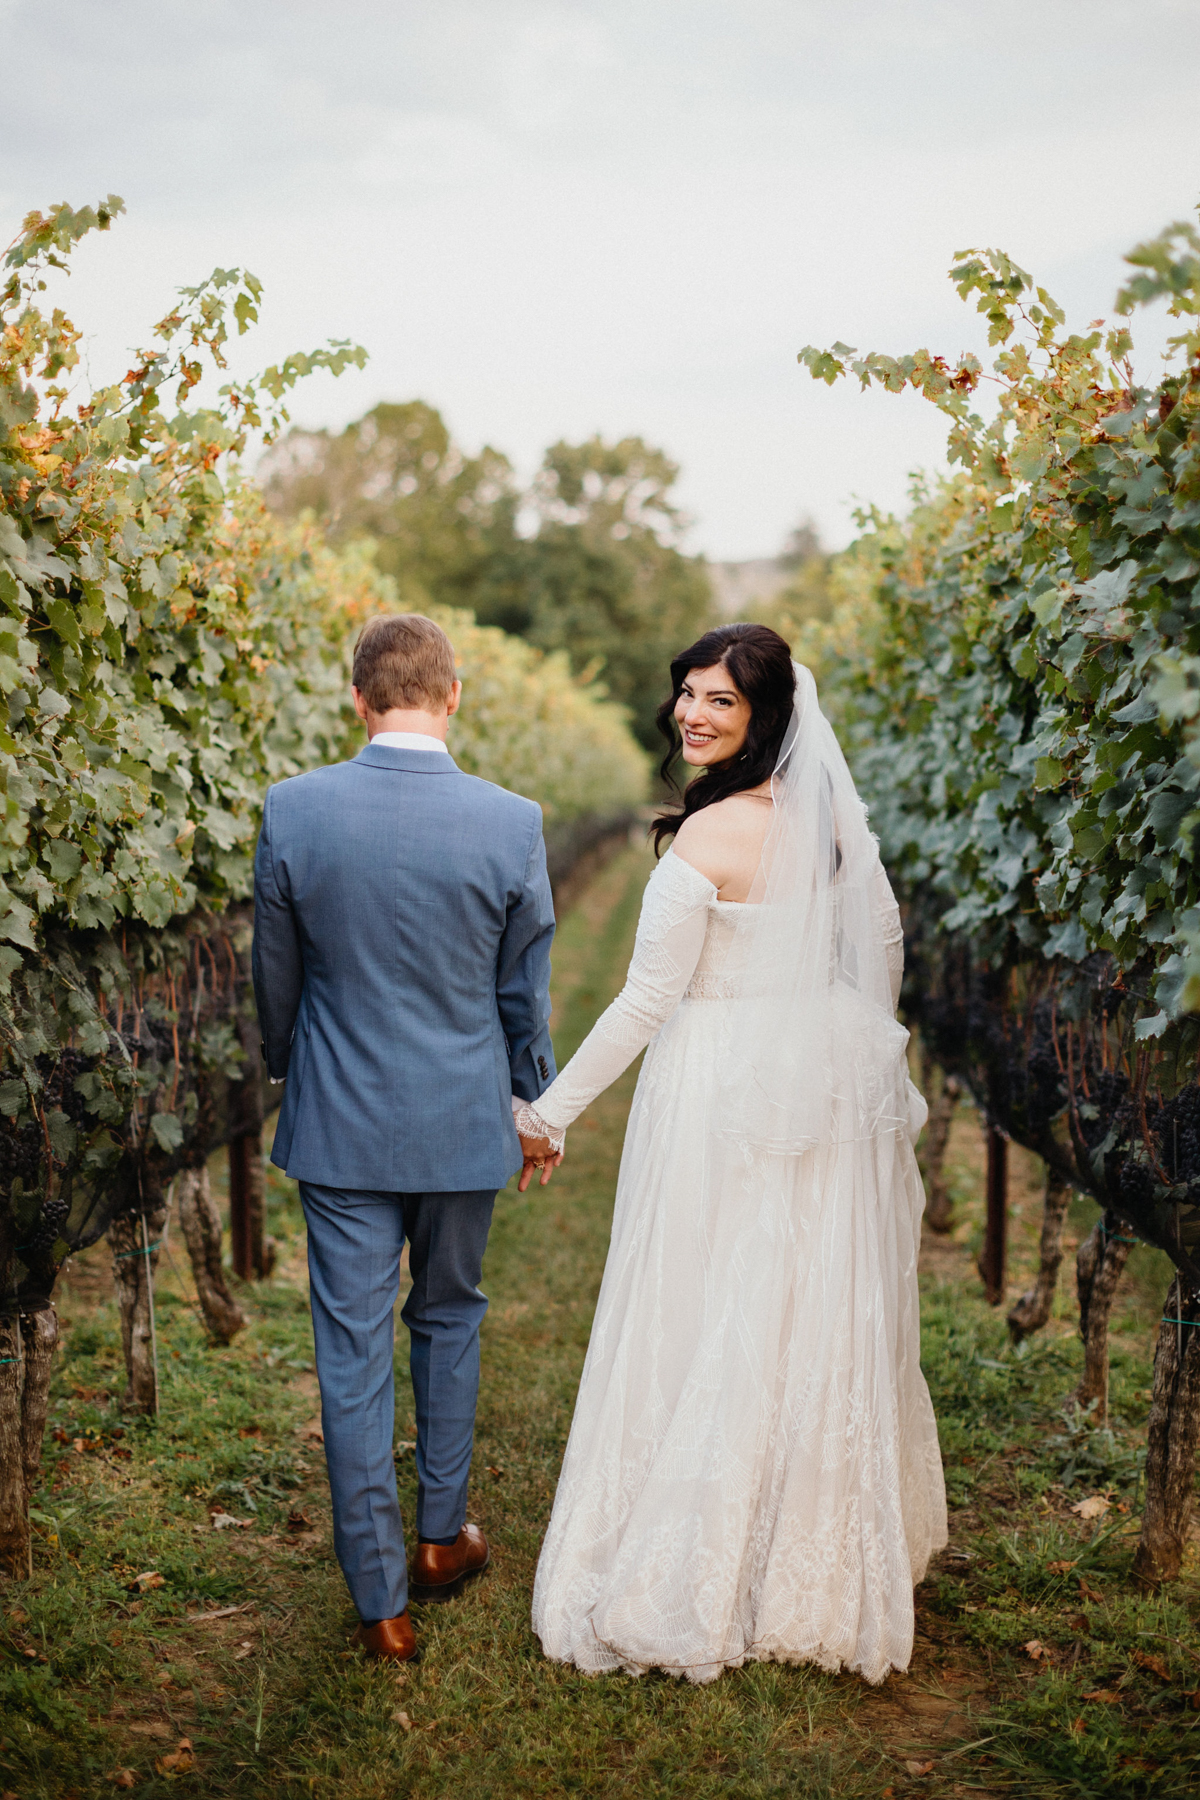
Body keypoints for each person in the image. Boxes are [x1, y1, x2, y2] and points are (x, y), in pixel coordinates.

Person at [516, 622, 948, 1685]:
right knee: (796, 1299)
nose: (695, 715)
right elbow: (883, 949)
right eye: (690, 695)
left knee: (706, 1297)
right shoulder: (838, 827)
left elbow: (648, 1000)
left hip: (713, 1083)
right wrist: (836, 1046)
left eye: (722, 701)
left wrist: (550, 1110)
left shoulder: (706, 840)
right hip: (816, 1071)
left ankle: (701, 1562)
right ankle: (806, 1566)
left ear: (767, 721)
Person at [253, 613, 560, 1663]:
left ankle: (379, 1598)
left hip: (338, 1120)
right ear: (454, 694)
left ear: (358, 698)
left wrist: (297, 1073)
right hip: (463, 1114)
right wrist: (533, 1104)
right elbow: (523, 992)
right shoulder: (511, 821)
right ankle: (441, 1539)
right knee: (448, 1315)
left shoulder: (292, 811)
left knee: (349, 1352)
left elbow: (276, 983)